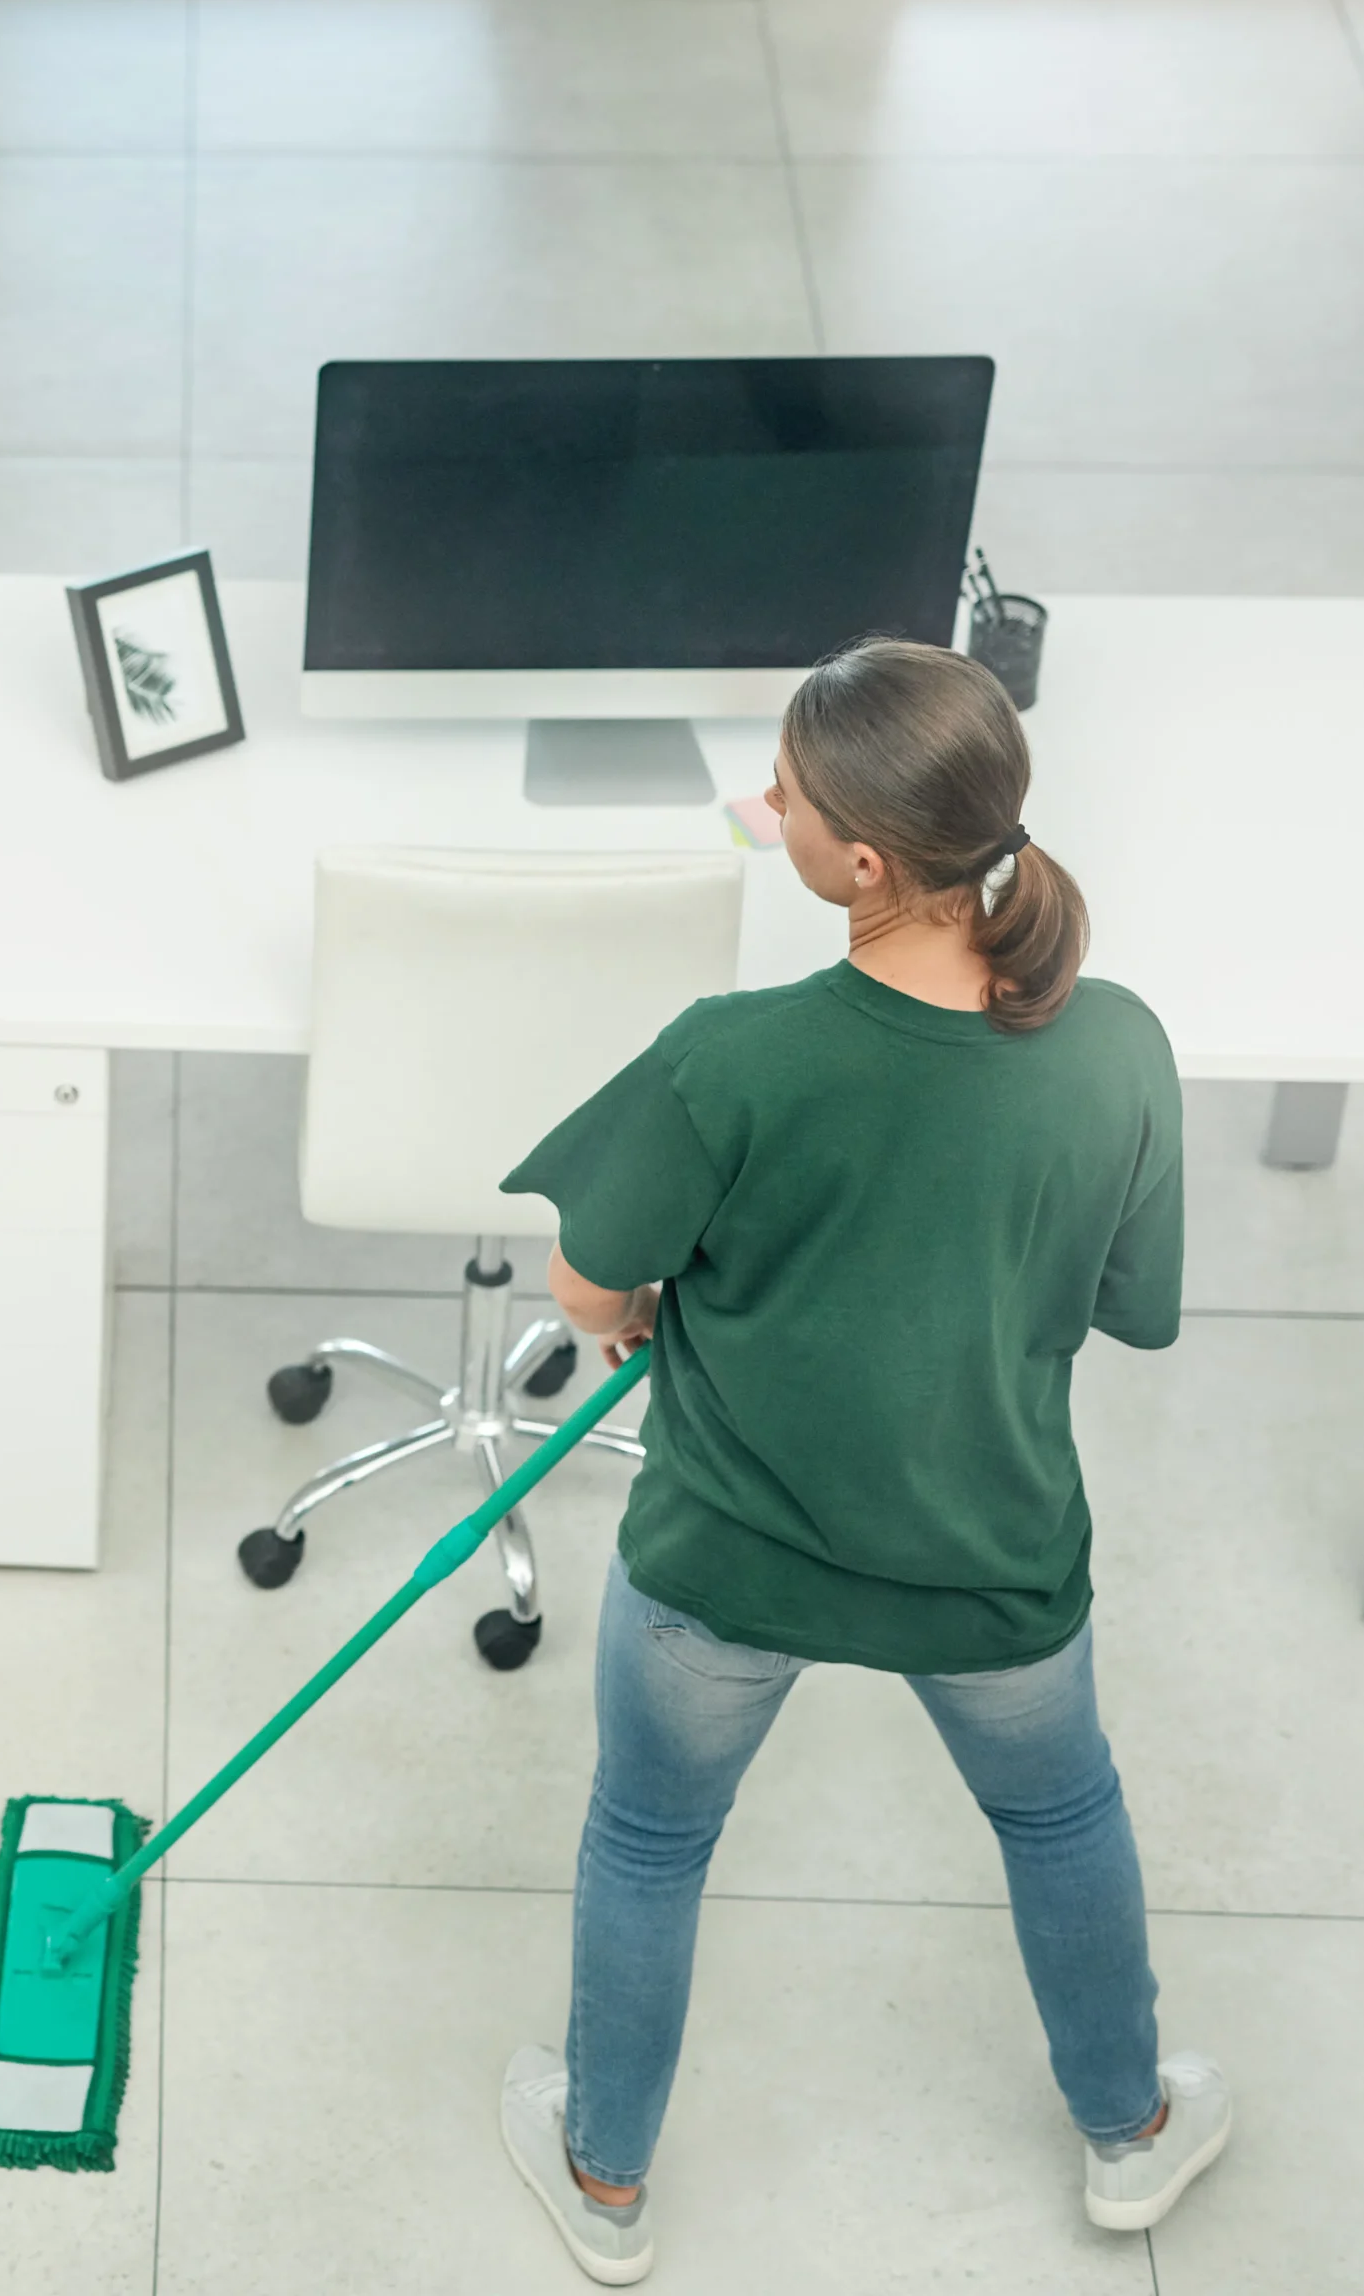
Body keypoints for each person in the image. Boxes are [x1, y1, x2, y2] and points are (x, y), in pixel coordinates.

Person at [494, 639, 1224, 2285]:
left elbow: (592, 1289)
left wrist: (662, 1295)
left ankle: (604, 2184)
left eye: (790, 797)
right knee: (1061, 1819)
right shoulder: (1116, 1047)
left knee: (647, 1843)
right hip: (994, 1560)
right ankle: (1131, 2135)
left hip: (724, 1568)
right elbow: (1134, 1305)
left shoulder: (728, 1056)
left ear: (865, 862)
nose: (770, 809)